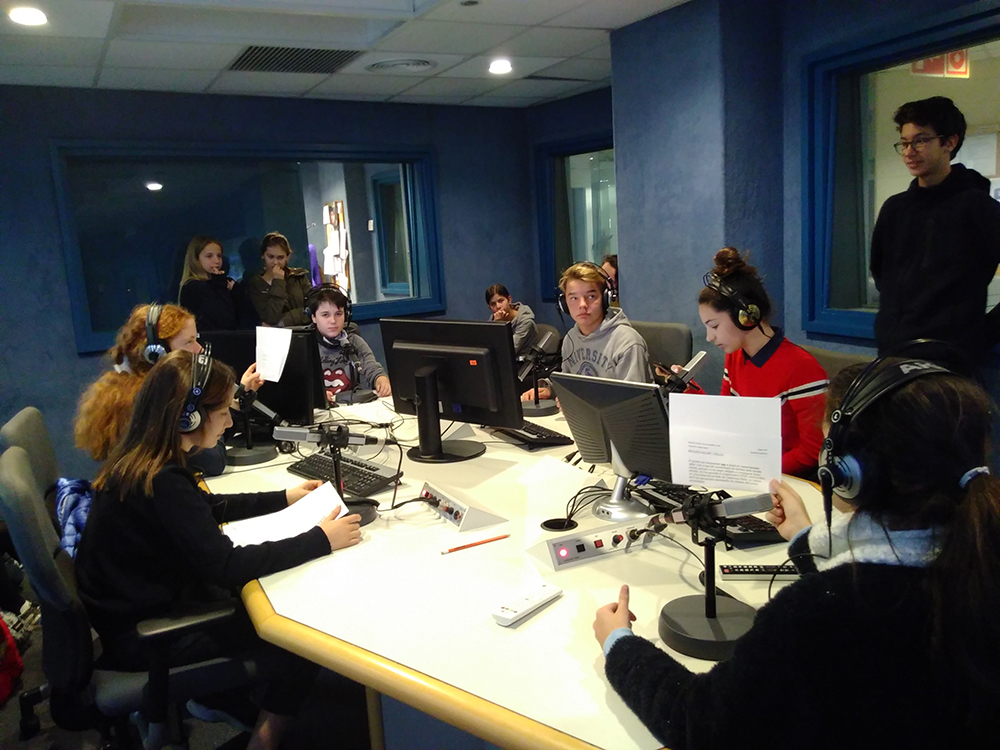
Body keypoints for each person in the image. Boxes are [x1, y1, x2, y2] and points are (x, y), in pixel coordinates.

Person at [594, 358, 1000, 749]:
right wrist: (804, 536)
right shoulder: (980, 554)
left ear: (849, 473)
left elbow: (700, 724)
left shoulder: (819, 613)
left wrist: (619, 644)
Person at [76, 349, 362, 750]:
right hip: (149, 637)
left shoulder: (146, 459)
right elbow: (226, 566)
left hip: (134, 614)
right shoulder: (162, 480)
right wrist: (322, 539)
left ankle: (231, 701)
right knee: (304, 629)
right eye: (224, 412)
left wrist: (284, 497)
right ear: (188, 417)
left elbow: (205, 508)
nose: (230, 421)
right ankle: (264, 741)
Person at [671, 247, 828, 478]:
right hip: (751, 471)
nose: (709, 337)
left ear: (746, 316)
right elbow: (727, 419)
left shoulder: (801, 368)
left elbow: (814, 451)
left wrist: (754, 468)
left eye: (714, 326)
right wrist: (688, 389)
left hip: (789, 480)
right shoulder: (735, 355)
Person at [871, 96, 1000, 364]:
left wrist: (982, 334)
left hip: (950, 362)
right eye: (904, 143)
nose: (909, 152)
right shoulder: (895, 209)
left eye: (920, 141)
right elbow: (882, 276)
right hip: (893, 356)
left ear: (949, 142)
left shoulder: (978, 207)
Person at [75, 303, 263, 476]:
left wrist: (230, 404)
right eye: (189, 342)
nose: (199, 349)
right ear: (157, 354)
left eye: (196, 339)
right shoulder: (153, 402)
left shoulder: (132, 387)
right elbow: (212, 461)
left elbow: (205, 439)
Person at [522, 261, 650, 402]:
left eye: (591, 296)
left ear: (605, 299)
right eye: (574, 298)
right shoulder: (571, 338)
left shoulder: (628, 342)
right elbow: (571, 384)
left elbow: (633, 402)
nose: (582, 305)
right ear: (564, 304)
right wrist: (550, 390)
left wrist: (579, 403)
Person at [308, 285, 391, 403]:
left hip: (350, 405)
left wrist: (381, 379)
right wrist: (316, 395)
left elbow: (371, 366)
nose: (333, 321)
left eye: (338, 314)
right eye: (325, 315)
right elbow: (296, 383)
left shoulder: (353, 341)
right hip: (319, 409)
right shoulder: (305, 346)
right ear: (314, 317)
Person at [245, 232, 313, 327]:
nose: (275, 262)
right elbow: (270, 318)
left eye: (280, 257)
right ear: (263, 255)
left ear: (287, 257)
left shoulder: (298, 277)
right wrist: (278, 282)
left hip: (303, 331)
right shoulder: (256, 284)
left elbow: (314, 307)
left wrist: (285, 320)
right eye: (270, 257)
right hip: (275, 335)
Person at [178, 235, 239, 332]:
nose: (217, 261)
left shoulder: (217, 282)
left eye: (219, 256)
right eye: (209, 256)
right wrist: (220, 285)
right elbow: (225, 320)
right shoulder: (195, 286)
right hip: (209, 339)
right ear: (196, 259)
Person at [485, 283, 538, 356]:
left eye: (501, 301)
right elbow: (487, 347)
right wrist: (496, 324)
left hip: (522, 361)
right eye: (493, 304)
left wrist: (499, 326)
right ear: (489, 307)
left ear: (509, 300)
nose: (498, 306)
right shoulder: (495, 318)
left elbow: (507, 351)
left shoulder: (525, 321)